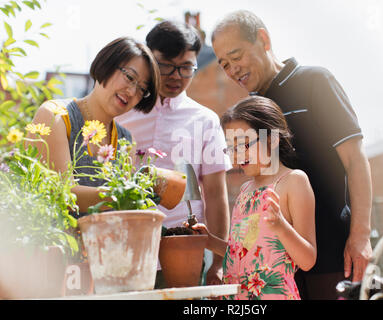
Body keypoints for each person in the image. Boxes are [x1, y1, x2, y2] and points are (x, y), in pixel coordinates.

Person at [211, 10, 373, 300]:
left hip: (332, 251)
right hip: (277, 268)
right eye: (224, 64)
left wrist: (360, 234)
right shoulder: (252, 110)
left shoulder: (315, 81)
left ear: (263, 39)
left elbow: (355, 159)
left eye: (236, 57)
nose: (232, 69)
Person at [116, 20, 231, 286]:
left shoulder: (206, 120)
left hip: (184, 251)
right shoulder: (122, 111)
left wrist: (217, 262)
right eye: (165, 65)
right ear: (148, 58)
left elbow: (215, 193)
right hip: (126, 249)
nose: (176, 76)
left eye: (186, 67)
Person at [188, 96, 316, 300]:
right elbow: (242, 252)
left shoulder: (294, 181)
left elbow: (308, 259)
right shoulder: (245, 190)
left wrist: (281, 226)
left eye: (245, 145)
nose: (237, 155)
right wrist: (210, 241)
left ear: (273, 139)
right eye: (231, 148)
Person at [27, 37, 160, 215]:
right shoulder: (55, 116)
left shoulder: (126, 141)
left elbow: (121, 217)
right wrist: (128, 196)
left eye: (142, 89)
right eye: (129, 77)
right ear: (106, 65)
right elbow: (62, 195)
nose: (131, 92)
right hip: (52, 242)